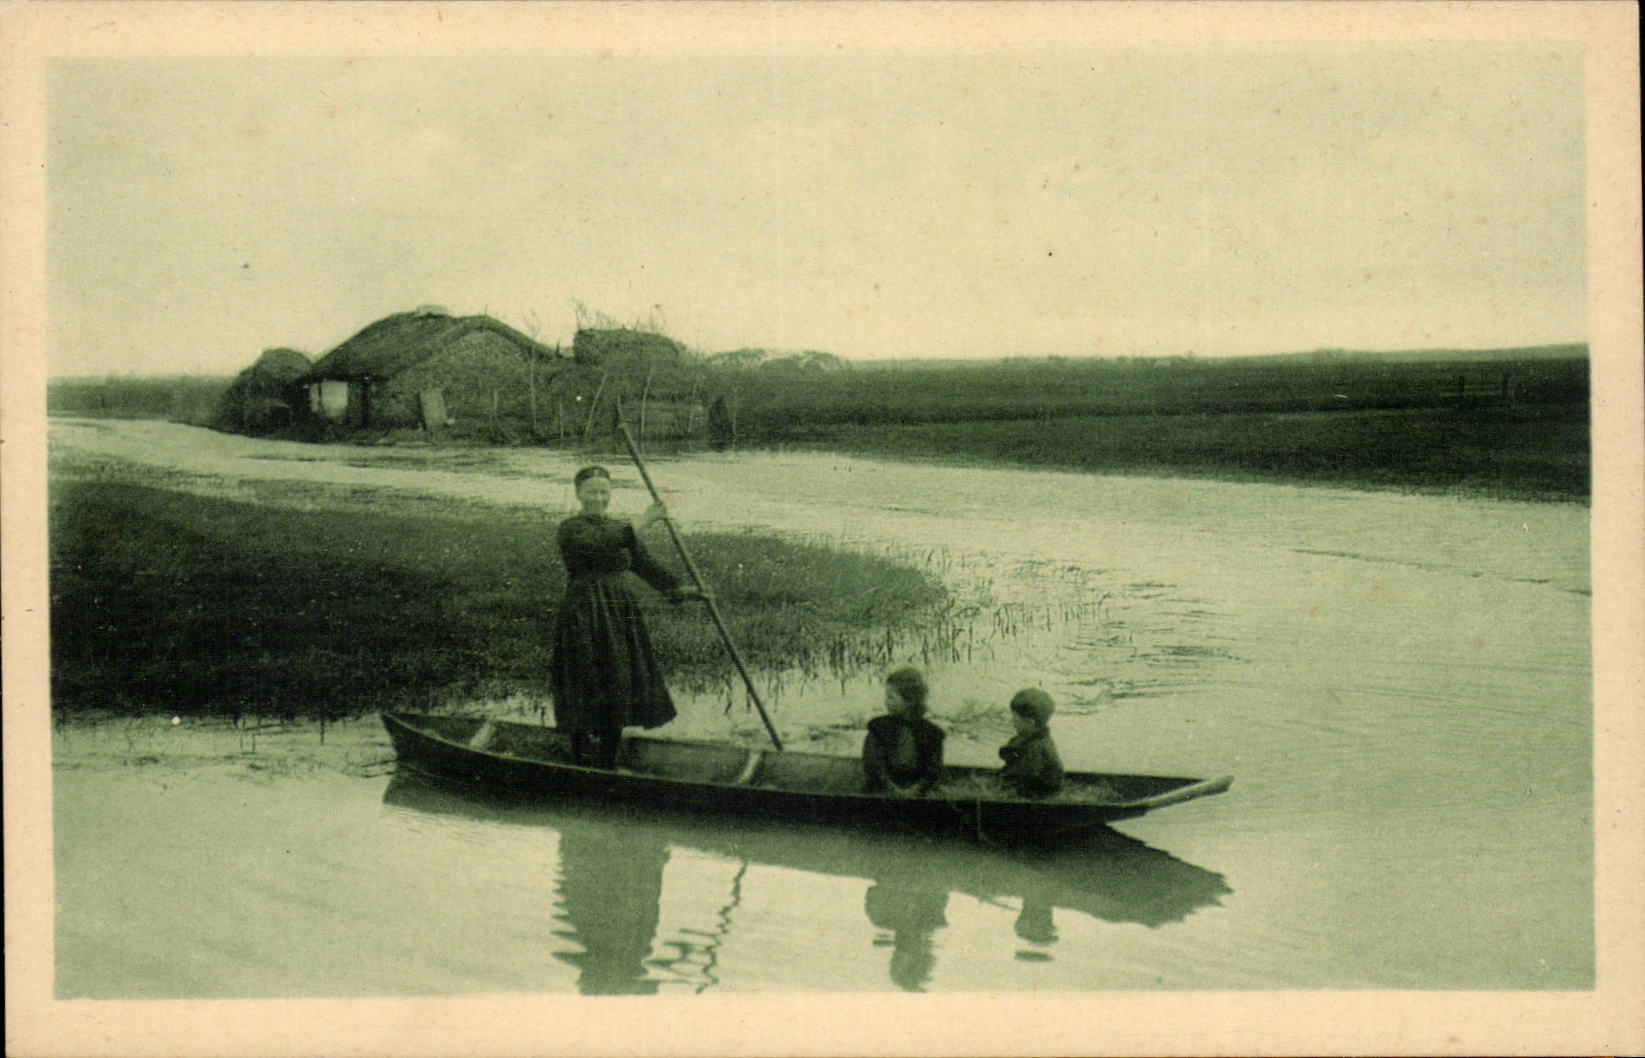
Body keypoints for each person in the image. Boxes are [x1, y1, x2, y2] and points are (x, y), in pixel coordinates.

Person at [549, 465, 702, 768]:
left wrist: (681, 590)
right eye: (591, 492)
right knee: (586, 675)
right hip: (584, 610)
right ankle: (579, 757)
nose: (598, 498)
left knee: (619, 676)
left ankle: (607, 758)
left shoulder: (618, 528)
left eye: (604, 492)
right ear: (578, 494)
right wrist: (643, 521)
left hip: (618, 611)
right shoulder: (571, 528)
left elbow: (644, 565)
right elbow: (597, 545)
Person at [862, 666, 945, 795]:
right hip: (881, 791)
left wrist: (916, 789)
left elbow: (933, 768)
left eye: (890, 697)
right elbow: (872, 764)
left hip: (919, 794)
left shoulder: (931, 733)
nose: (886, 701)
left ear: (910, 700)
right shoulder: (879, 727)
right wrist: (891, 788)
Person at [998, 688, 1065, 797]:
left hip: (1037, 797)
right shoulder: (1031, 738)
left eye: (1015, 717)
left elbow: (1023, 777)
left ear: (1030, 722)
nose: (1012, 720)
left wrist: (1003, 789)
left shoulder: (1035, 747)